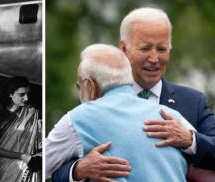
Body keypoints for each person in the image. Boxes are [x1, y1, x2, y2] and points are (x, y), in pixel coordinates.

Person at [51, 7, 215, 182]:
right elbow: (57, 168)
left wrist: (190, 140)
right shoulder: (94, 101)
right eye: (145, 49)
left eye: (161, 49)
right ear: (123, 48)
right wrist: (78, 170)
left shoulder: (192, 102)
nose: (154, 58)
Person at [46, 44, 197, 181]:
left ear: (90, 85)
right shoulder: (172, 117)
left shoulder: (78, 118)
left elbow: (38, 164)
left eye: (79, 87)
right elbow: (206, 160)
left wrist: (77, 170)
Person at [0, 76, 42, 182]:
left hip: (28, 167)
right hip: (4, 167)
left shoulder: (31, 113)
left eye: (27, 94)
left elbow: (38, 144)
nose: (26, 98)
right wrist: (22, 156)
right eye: (21, 95)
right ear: (10, 94)